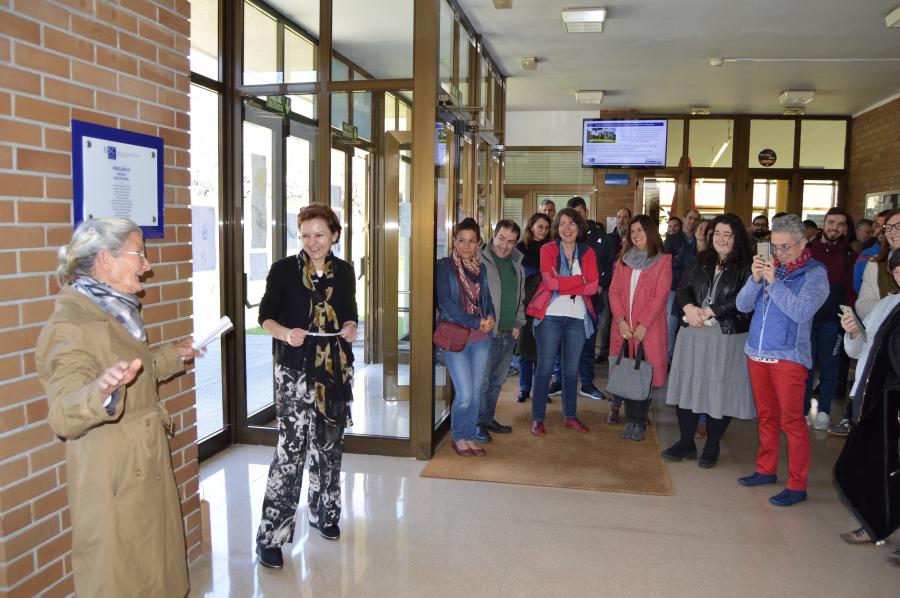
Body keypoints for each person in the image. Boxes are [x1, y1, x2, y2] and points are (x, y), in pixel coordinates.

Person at [36, 218, 201, 597]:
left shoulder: (115, 309)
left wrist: (173, 355)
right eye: (139, 253)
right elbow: (63, 411)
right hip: (114, 477)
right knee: (123, 577)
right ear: (106, 261)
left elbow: (133, 372)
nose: (147, 264)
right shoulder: (69, 325)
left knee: (157, 571)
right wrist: (101, 392)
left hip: (143, 465)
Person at [255, 204, 359, 568]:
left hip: (333, 372)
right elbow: (264, 316)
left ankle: (325, 513)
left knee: (330, 445)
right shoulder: (283, 270)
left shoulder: (344, 271)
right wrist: (285, 333)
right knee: (291, 451)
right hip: (295, 370)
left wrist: (350, 326)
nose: (313, 242)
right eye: (305, 235)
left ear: (334, 235)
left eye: (320, 235)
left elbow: (349, 310)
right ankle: (271, 536)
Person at [735, 214, 829, 507]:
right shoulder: (769, 267)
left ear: (802, 243)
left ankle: (797, 484)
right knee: (766, 416)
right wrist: (756, 279)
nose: (778, 254)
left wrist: (774, 283)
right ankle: (765, 469)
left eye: (785, 247)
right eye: (773, 247)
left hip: (789, 357)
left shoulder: (815, 274)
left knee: (792, 422)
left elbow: (801, 312)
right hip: (757, 353)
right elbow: (742, 305)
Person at [663, 214, 755, 467]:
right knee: (688, 386)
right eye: (717, 234)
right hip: (693, 332)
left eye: (728, 234)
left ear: (737, 238)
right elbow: (683, 287)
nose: (721, 239)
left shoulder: (748, 266)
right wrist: (689, 308)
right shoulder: (701, 260)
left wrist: (713, 310)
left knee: (719, 389)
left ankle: (712, 445)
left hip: (726, 336)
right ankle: (686, 442)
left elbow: (745, 300)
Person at [833, 250, 900, 567]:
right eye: (897, 269)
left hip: (893, 401)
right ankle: (876, 524)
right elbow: (862, 349)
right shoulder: (889, 304)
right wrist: (854, 331)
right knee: (867, 466)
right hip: (875, 402)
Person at [525, 208, 599, 436]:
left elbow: (593, 286)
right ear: (557, 228)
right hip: (550, 316)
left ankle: (570, 416)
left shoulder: (587, 252)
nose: (567, 228)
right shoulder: (548, 249)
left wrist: (564, 281)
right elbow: (549, 283)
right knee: (545, 368)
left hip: (577, 317)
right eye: (563, 223)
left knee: (570, 370)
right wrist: (579, 281)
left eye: (572, 223)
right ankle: (538, 418)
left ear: (579, 227)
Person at [831, 209, 900, 437]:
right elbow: (863, 344)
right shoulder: (886, 299)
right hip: (875, 381)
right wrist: (854, 331)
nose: (892, 233)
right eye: (888, 228)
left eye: (897, 226)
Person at [608, 214, 672, 439]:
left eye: (640, 231)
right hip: (624, 328)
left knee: (644, 373)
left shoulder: (663, 261)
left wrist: (643, 323)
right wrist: (621, 321)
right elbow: (614, 292)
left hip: (649, 328)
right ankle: (630, 419)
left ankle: (638, 421)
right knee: (627, 371)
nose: (635, 235)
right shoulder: (623, 260)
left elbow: (660, 295)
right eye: (632, 231)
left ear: (650, 233)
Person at [435, 218, 496, 456]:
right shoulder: (445, 266)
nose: (466, 246)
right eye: (461, 240)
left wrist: (489, 318)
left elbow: (487, 300)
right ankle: (459, 436)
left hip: (481, 337)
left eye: (472, 242)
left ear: (479, 243)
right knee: (466, 393)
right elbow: (446, 303)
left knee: (477, 390)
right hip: (455, 336)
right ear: (454, 240)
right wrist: (474, 322)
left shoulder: (482, 267)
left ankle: (469, 435)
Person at [805, 207, 857, 430]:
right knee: (805, 368)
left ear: (845, 228)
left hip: (832, 323)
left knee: (829, 367)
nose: (835, 227)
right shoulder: (806, 249)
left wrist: (846, 320)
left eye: (841, 224)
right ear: (823, 224)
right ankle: (802, 410)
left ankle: (824, 410)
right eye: (831, 222)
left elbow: (852, 291)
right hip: (806, 320)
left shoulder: (850, 256)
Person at [475, 220, 525, 441]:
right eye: (501, 238)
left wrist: (518, 323)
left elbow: (520, 299)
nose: (505, 245)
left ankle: (487, 419)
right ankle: (476, 424)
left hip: (507, 334)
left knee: (496, 382)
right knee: (482, 382)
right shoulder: (478, 261)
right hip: (484, 335)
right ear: (493, 235)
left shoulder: (517, 266)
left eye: (511, 241)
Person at [567, 196, 615, 400]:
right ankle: (561, 382)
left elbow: (609, 265)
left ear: (586, 212)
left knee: (588, 342)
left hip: (592, 300)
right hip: (567, 300)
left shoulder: (600, 236)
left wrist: (601, 285)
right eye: (572, 214)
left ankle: (587, 383)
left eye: (580, 212)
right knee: (564, 344)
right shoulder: (564, 235)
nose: (577, 217)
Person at [515, 213, 552, 403]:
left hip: (547, 305)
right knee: (525, 349)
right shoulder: (520, 248)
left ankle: (541, 390)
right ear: (530, 227)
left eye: (546, 228)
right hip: (526, 304)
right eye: (540, 227)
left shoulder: (553, 248)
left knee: (543, 351)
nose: (543, 231)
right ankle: (524, 388)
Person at [666, 208, 702, 361]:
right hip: (674, 287)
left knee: (688, 325)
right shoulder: (673, 239)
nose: (692, 221)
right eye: (690, 218)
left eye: (695, 219)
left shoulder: (700, 240)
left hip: (693, 290)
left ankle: (684, 359)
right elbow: (668, 262)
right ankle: (667, 358)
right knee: (670, 324)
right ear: (684, 218)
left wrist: (679, 258)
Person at [853, 210, 891, 293]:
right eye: (878, 226)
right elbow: (858, 289)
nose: (881, 230)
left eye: (886, 226)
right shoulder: (866, 256)